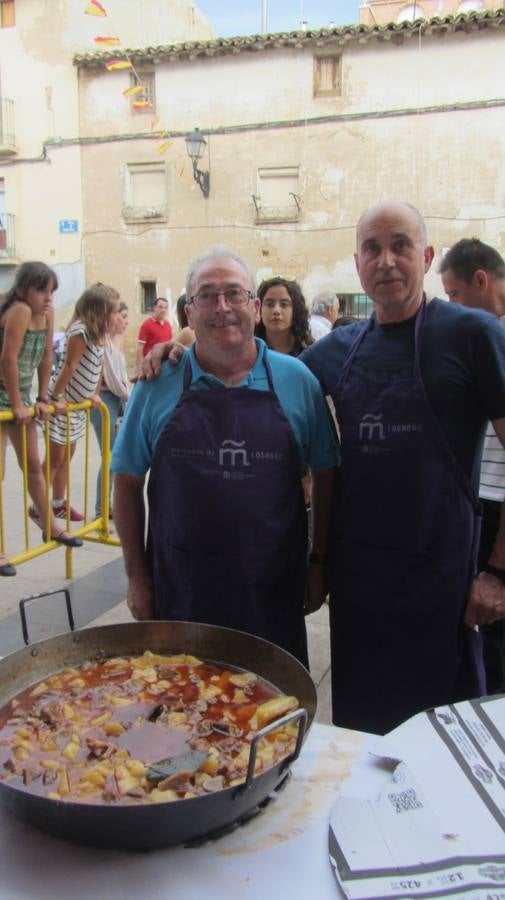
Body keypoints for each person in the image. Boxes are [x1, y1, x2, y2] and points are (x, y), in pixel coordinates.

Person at [301, 200, 505, 734]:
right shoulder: (337, 349)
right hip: (360, 587)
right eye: (372, 248)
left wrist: (498, 573)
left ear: (426, 255)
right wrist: (182, 346)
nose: (386, 260)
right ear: (357, 263)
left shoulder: (472, 335)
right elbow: (261, 372)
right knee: (364, 734)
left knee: (441, 736)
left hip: (442, 583)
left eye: (400, 246)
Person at [111, 246, 339, 667]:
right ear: (189, 312)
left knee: (273, 714)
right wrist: (137, 578)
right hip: (179, 591)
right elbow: (125, 480)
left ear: (253, 306)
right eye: (206, 296)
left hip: (271, 591)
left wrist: (319, 562)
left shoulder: (298, 381)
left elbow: (326, 473)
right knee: (180, 718)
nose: (222, 308)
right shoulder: (156, 383)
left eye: (234, 294)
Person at [440, 238, 505, 694]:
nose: (451, 308)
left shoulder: (489, 338)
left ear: (481, 280)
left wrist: (498, 572)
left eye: (454, 295)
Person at [0, 262, 82, 575]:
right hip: (4, 399)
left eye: (51, 291)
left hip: (19, 398)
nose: (48, 298)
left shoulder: (47, 315)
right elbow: (7, 360)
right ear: (22, 291)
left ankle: (49, 524)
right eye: (40, 290)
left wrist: (44, 398)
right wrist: (20, 405)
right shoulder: (20, 311)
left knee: (33, 466)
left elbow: (47, 356)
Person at [30, 283, 120, 524]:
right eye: (112, 311)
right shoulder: (80, 331)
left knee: (67, 456)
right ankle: (37, 506)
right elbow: (70, 366)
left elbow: (95, 366)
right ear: (98, 310)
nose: (115, 316)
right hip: (62, 404)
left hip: (76, 406)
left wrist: (92, 392)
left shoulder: (98, 335)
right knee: (55, 458)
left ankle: (58, 503)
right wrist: (56, 398)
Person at [90, 301, 130, 520]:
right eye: (121, 316)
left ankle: (107, 505)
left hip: (116, 400)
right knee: (109, 455)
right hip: (104, 400)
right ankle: (100, 510)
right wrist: (128, 395)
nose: (125, 322)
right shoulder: (102, 341)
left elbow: (120, 377)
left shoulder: (118, 341)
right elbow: (112, 379)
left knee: (114, 456)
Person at [256, 277, 313, 356]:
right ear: (258, 308)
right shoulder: (251, 350)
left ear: (296, 310)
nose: (276, 311)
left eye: (284, 304)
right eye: (269, 304)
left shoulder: (310, 351)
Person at [136, 297, 172, 366]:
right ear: (154, 308)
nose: (163, 310)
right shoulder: (146, 325)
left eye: (165, 307)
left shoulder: (168, 325)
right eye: (160, 307)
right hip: (150, 365)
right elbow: (140, 347)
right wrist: (140, 366)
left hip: (165, 364)